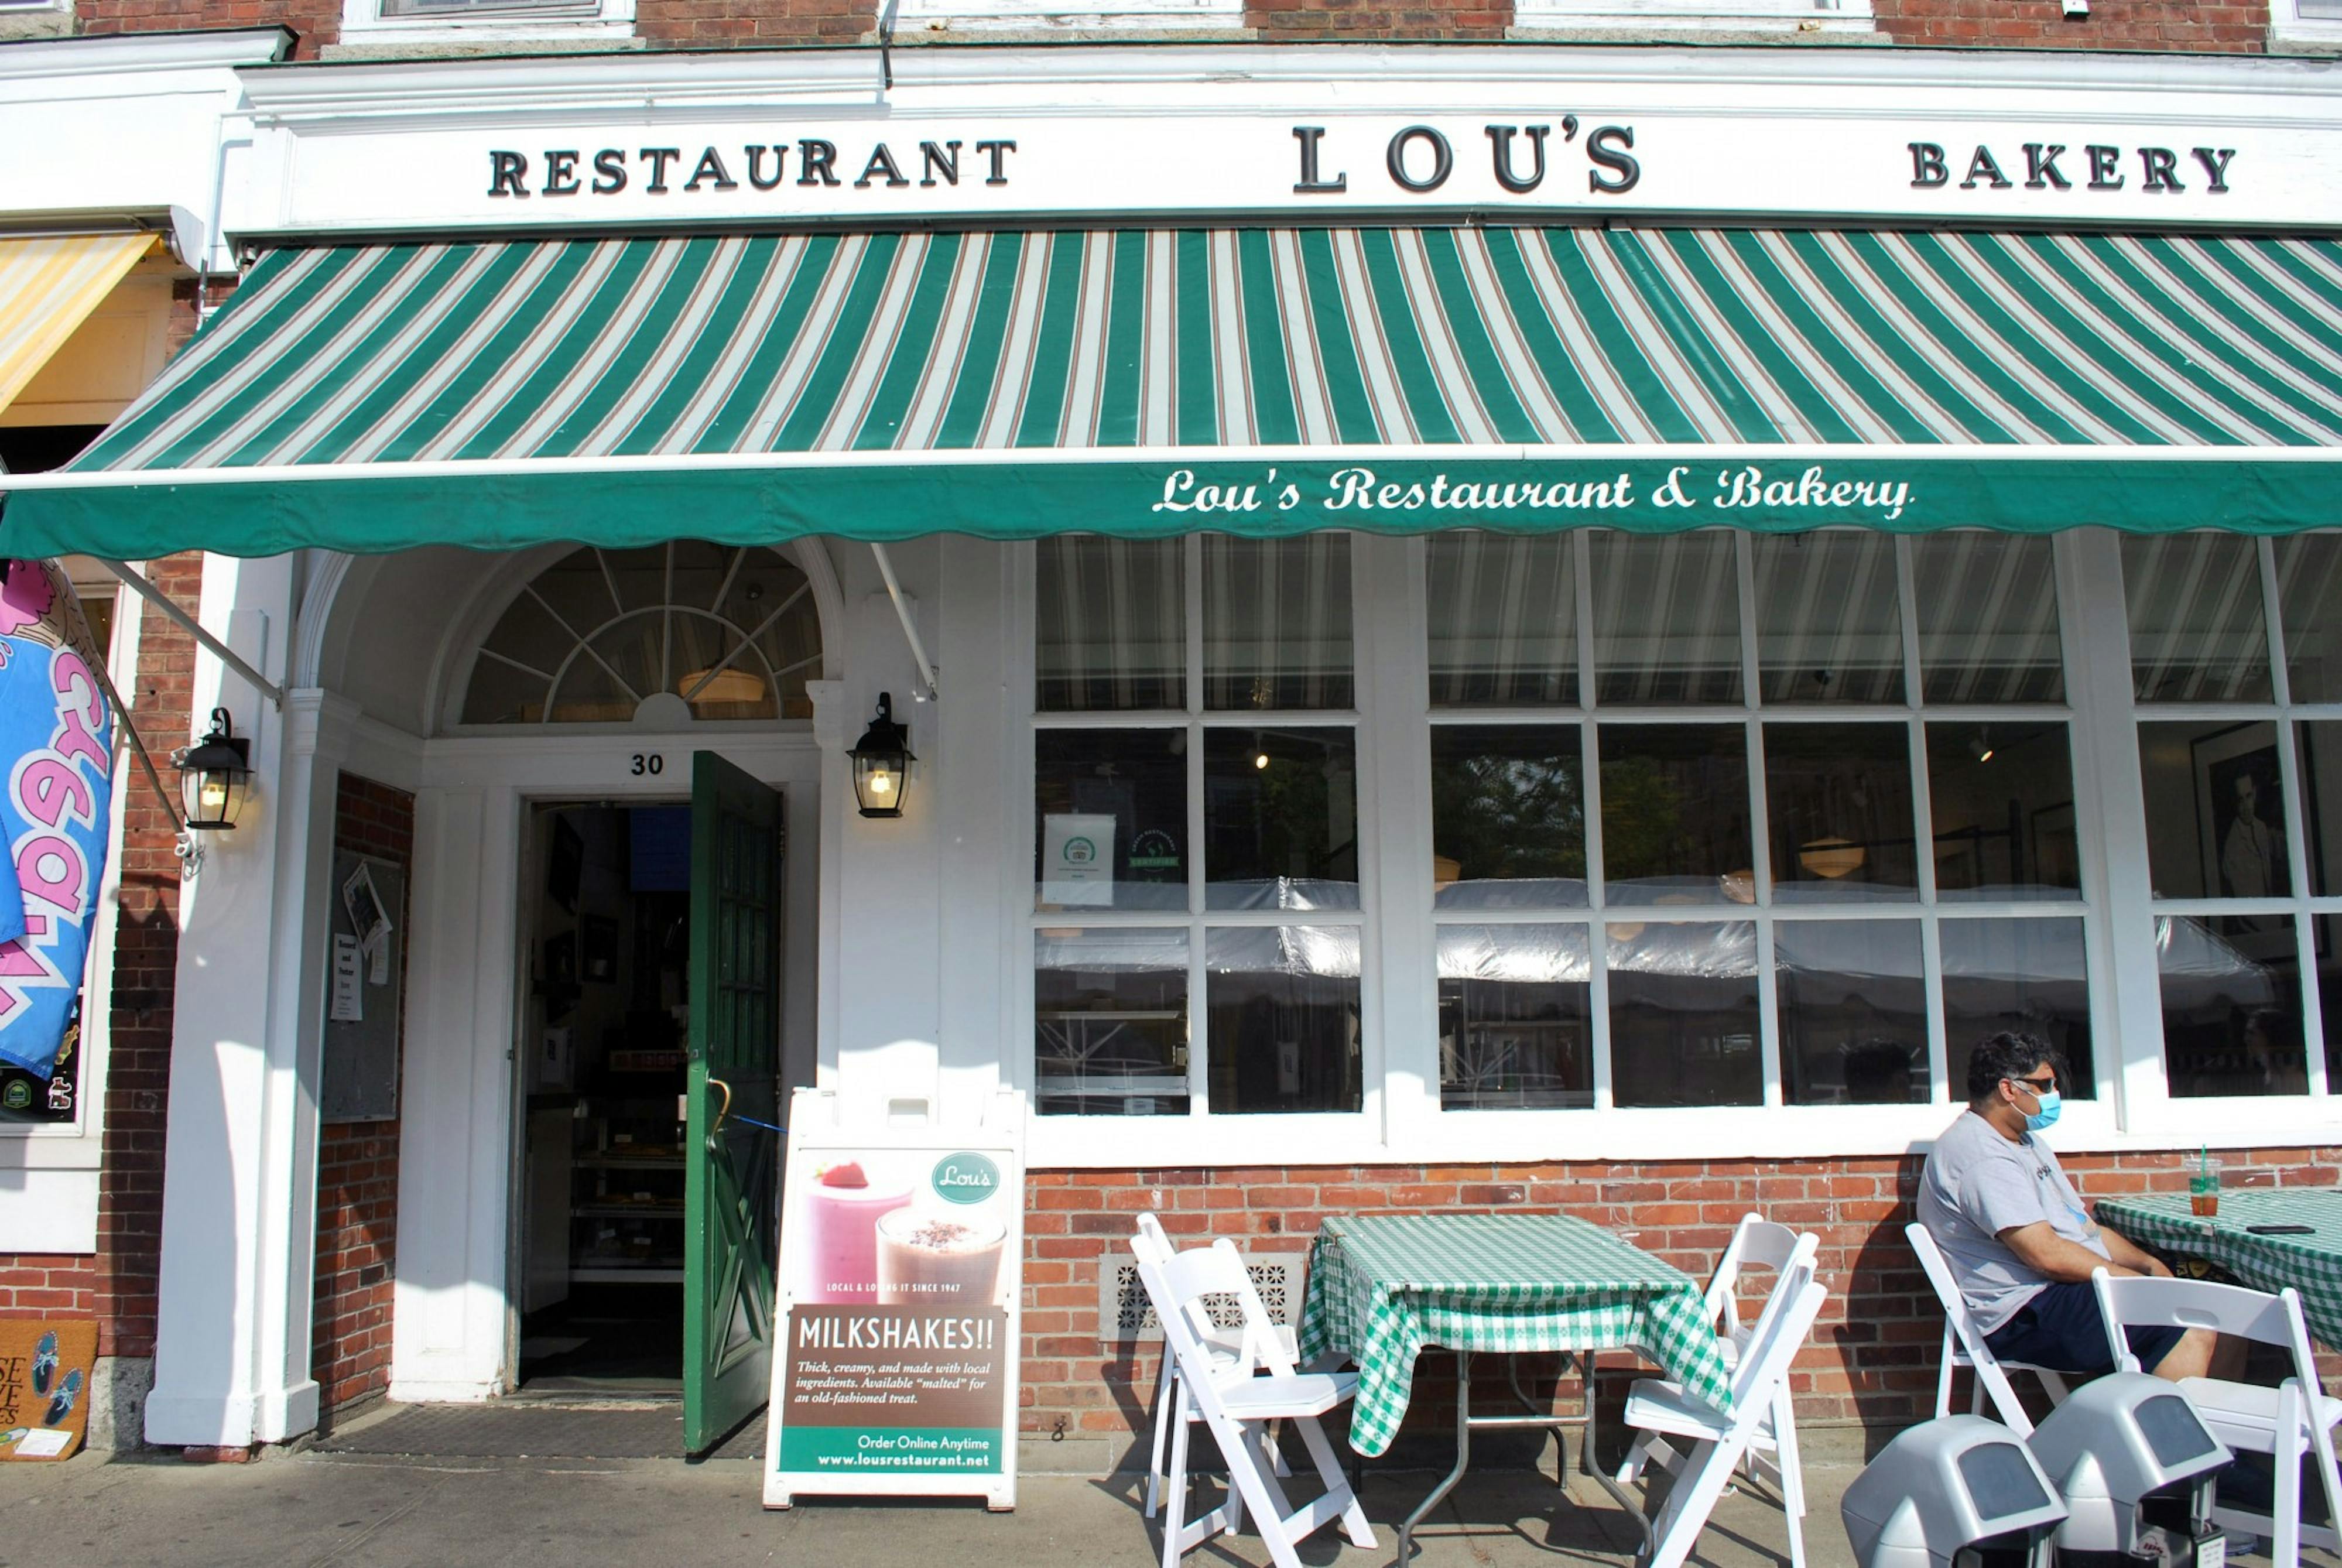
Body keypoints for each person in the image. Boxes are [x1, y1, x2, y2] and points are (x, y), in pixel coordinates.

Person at [1918, 1032, 2220, 1382]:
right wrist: (2136, 1284)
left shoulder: (2026, 1142)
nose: (2054, 1094)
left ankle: (2187, 1416)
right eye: (2045, 1085)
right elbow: (2046, 1256)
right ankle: (2173, 1420)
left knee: (2219, 1302)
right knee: (2189, 1318)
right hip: (2025, 1313)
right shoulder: (1981, 1155)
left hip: (2062, 1293)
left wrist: (2148, 1265)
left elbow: (2085, 1229)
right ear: (2008, 1089)